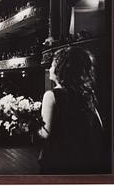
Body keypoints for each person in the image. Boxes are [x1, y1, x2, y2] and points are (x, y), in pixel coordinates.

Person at [38, 46, 105, 174]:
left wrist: (29, 125)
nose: (50, 68)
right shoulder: (86, 95)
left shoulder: (51, 95)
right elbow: (99, 127)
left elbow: (45, 133)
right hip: (82, 159)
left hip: (57, 159)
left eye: (52, 65)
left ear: (60, 68)